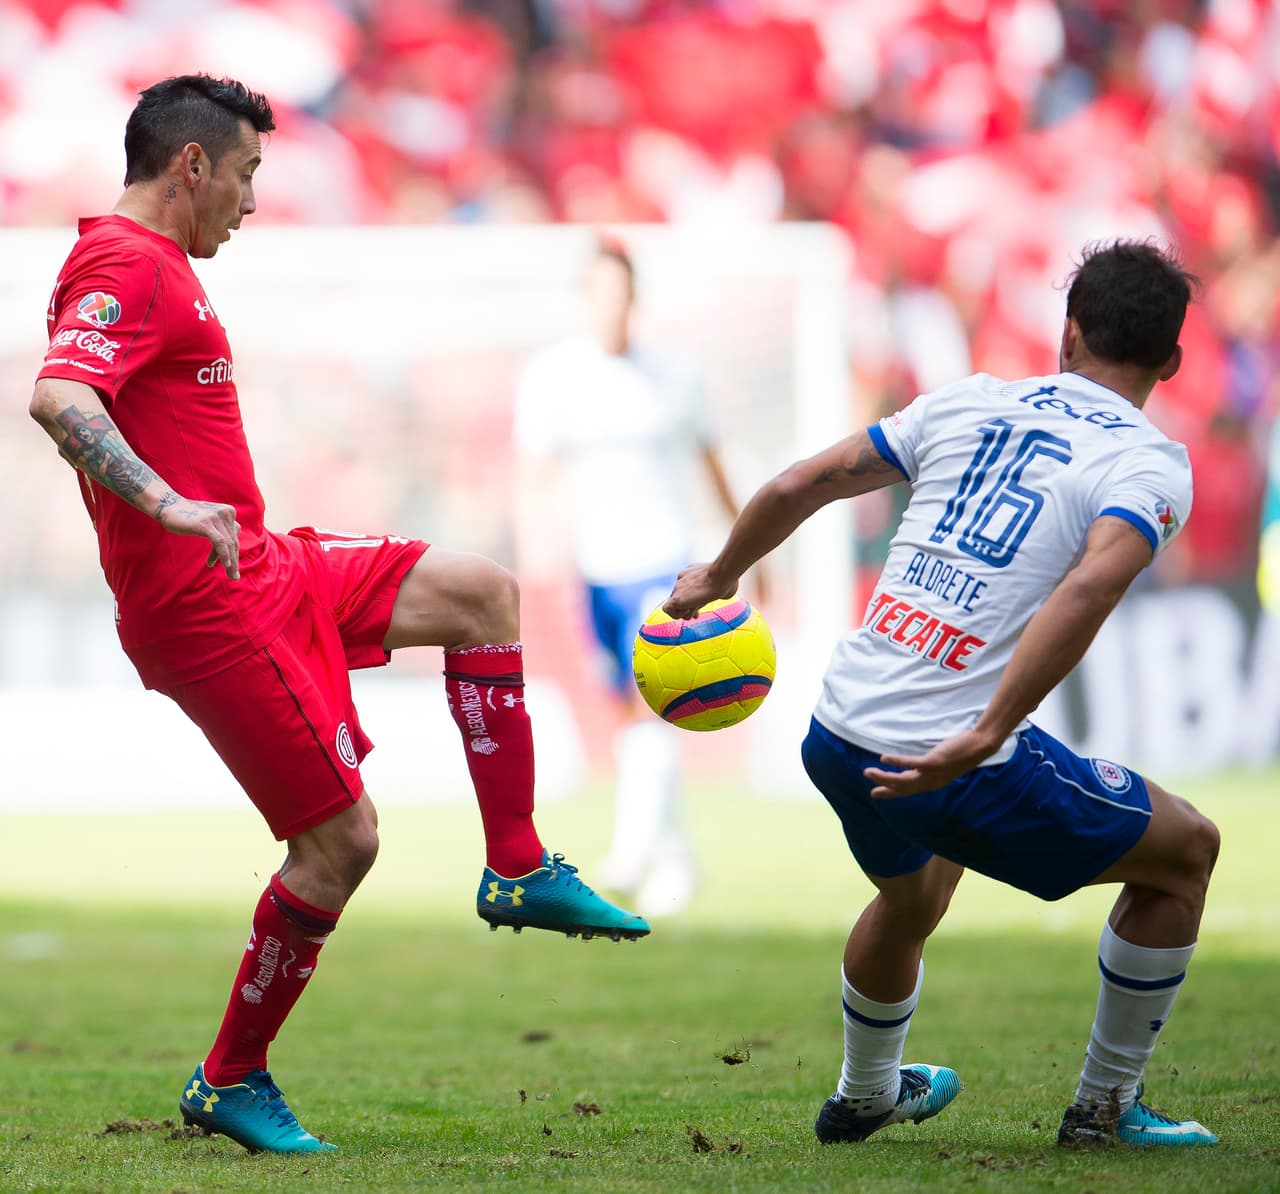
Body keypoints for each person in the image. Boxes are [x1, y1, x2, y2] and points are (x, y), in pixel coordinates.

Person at [28, 74, 648, 1157]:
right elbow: (58, 396)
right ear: (190, 165)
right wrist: (167, 503)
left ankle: (515, 863)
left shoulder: (158, 265)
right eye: (245, 174)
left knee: (481, 593)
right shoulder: (127, 262)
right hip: (207, 604)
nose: (251, 201)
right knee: (340, 845)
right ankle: (230, 1077)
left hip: (264, 563)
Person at [664, 239, 1221, 1149]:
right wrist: (991, 729)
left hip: (839, 728)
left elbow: (800, 482)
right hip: (953, 753)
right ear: (1172, 360)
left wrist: (721, 573)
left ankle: (867, 1094)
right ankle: (1104, 1111)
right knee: (1187, 851)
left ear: (1068, 333)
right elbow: (1090, 585)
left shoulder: (969, 399)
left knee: (914, 899)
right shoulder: (1149, 463)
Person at [514, 238, 760, 916]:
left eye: (621, 293)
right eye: (599, 292)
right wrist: (538, 552)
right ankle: (676, 860)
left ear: (635, 299)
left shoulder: (675, 373)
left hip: (664, 564)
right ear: (584, 299)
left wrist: (745, 551)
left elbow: (711, 462)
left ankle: (630, 851)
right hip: (595, 569)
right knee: (627, 711)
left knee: (656, 702)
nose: (611, 306)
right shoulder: (554, 376)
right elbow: (536, 473)